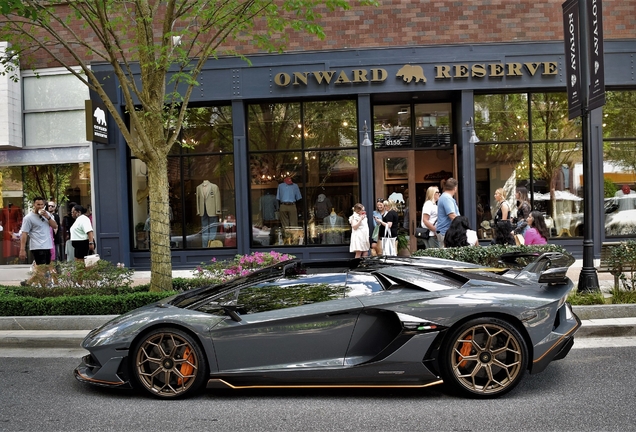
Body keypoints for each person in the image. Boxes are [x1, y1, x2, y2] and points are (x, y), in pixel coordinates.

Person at [19, 196, 58, 285]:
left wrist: (47, 217)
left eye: (42, 204)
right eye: (38, 204)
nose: (40, 206)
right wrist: (22, 249)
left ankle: (28, 283)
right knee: (41, 268)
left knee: (44, 269)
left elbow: (55, 226)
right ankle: (43, 289)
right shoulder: (28, 218)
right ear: (34, 205)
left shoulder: (47, 214)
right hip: (37, 246)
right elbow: (24, 233)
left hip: (48, 245)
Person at [196, 180, 222, 247]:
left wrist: (218, 210)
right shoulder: (198, 187)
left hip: (212, 210)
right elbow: (197, 200)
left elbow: (217, 198)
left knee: (213, 228)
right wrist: (198, 210)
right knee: (204, 229)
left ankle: (211, 245)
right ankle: (204, 246)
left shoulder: (214, 186)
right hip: (203, 210)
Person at [436, 177, 460, 247]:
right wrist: (462, 224)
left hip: (445, 232)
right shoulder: (447, 198)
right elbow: (452, 215)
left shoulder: (444, 197)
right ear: (455, 188)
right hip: (446, 232)